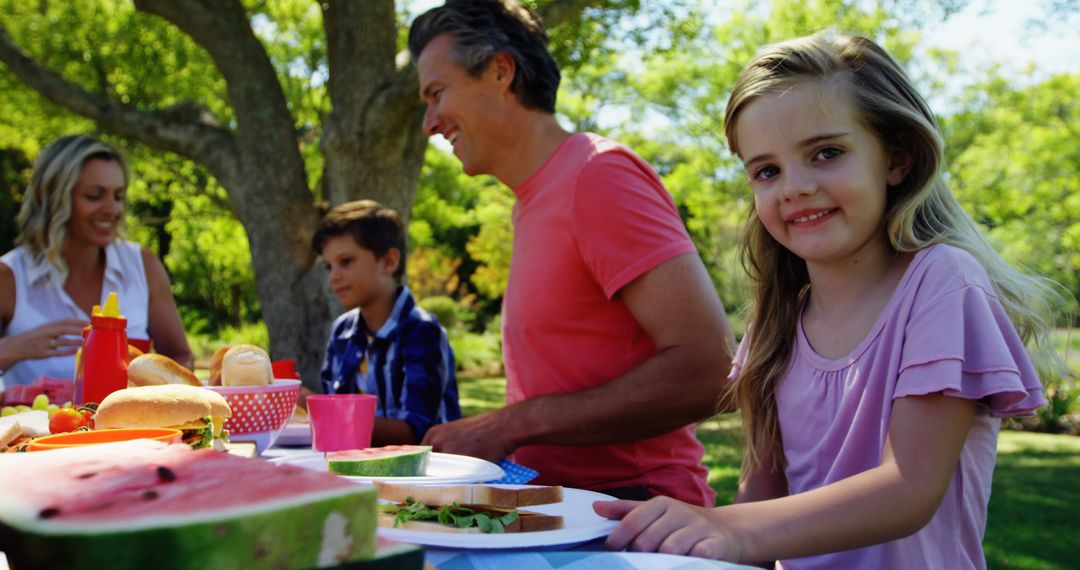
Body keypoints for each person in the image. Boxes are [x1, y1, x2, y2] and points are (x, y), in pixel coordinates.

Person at [594, 31, 1056, 568]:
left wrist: (727, 527)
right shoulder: (776, 323)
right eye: (767, 170)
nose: (794, 187)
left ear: (897, 158)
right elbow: (760, 501)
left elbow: (908, 489)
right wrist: (698, 546)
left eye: (826, 153)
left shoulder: (942, 281)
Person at [409, 0, 734, 506]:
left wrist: (510, 424)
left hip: (633, 515)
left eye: (437, 93)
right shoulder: (530, 201)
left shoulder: (598, 176)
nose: (429, 122)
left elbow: (711, 369)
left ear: (500, 71)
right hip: (555, 508)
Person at [0, 135, 194, 390]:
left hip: (128, 429)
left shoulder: (143, 266)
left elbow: (181, 358)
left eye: (118, 196)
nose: (112, 210)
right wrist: (11, 349)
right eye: (94, 196)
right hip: (39, 428)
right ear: (52, 198)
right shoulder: (9, 277)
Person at [312, 200, 461, 445]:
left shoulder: (421, 331)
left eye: (346, 261)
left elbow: (418, 431)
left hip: (425, 474)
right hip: (358, 467)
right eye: (329, 266)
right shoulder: (342, 331)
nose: (334, 277)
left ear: (389, 262)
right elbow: (337, 421)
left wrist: (322, 412)